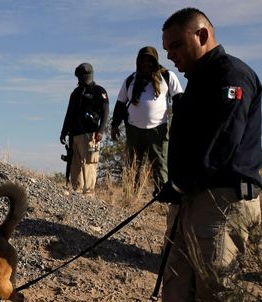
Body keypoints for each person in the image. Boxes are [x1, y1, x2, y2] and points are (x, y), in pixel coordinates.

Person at [156, 8, 262, 302]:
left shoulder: (231, 76)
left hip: (222, 199)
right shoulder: (198, 81)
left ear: (202, 35)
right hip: (191, 197)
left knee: (214, 283)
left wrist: (183, 181)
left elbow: (223, 143)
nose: (171, 55)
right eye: (167, 50)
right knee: (178, 278)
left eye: (176, 46)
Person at [110, 46, 183, 192]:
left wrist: (177, 123)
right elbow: (120, 104)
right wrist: (115, 125)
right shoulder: (130, 80)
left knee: (160, 166)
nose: (146, 64)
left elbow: (179, 101)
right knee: (132, 165)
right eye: (143, 61)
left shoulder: (167, 77)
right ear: (138, 62)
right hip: (134, 130)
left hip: (159, 130)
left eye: (150, 61)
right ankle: (130, 196)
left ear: (155, 61)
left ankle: (163, 197)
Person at [60, 63, 109, 194]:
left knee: (89, 164)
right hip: (74, 134)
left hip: (90, 134)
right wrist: (64, 131)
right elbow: (69, 113)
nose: (80, 78)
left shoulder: (99, 91)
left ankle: (88, 194)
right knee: (75, 164)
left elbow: (105, 111)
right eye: (79, 76)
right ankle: (77, 190)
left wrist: (101, 130)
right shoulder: (75, 93)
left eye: (82, 75)